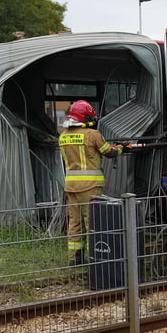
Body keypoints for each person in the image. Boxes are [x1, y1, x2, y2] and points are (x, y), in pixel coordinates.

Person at [58, 100, 123, 266]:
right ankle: (95, 258)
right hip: (90, 187)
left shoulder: (63, 136)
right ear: (85, 117)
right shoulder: (92, 134)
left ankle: (74, 259)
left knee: (75, 222)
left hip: (71, 187)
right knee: (93, 223)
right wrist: (121, 148)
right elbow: (109, 152)